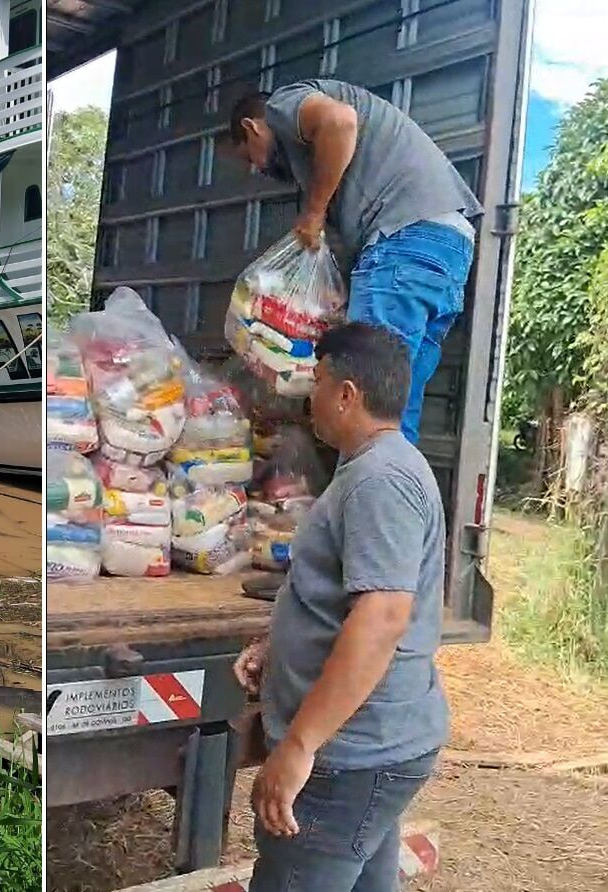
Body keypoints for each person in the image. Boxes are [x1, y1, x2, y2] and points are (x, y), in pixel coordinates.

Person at [234, 323, 448, 892]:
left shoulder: (382, 480)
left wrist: (300, 746)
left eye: (320, 380)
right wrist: (277, 647)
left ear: (348, 393)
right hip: (367, 750)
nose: (312, 394)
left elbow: (381, 619)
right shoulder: (375, 469)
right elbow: (342, 600)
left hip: (350, 756)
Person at [228, 80, 481, 444]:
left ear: (252, 128)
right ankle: (391, 499)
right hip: (449, 246)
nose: (255, 167)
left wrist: (313, 213)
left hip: (403, 238)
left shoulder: (283, 104)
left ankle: (365, 499)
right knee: (393, 409)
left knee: (365, 405)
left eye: (248, 155)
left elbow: (340, 122)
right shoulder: (315, 156)